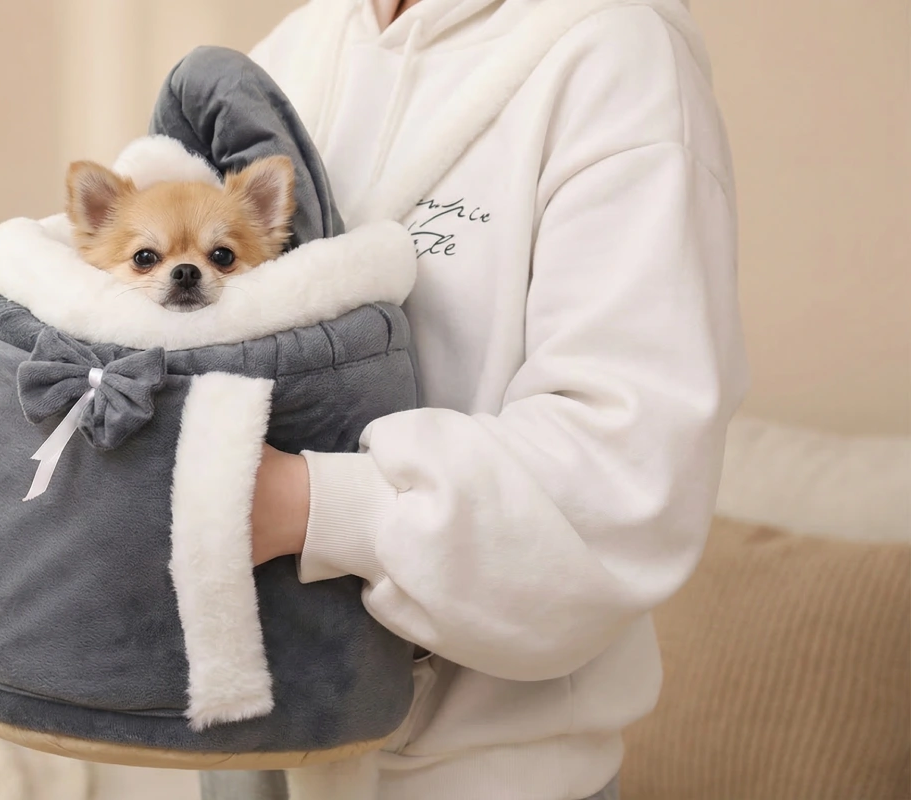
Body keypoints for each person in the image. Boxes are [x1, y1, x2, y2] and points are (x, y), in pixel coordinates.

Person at [237, 0, 749, 798]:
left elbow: (621, 478)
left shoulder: (615, 56)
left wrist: (304, 505)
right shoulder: (297, 49)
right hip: (237, 750)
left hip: (480, 778)